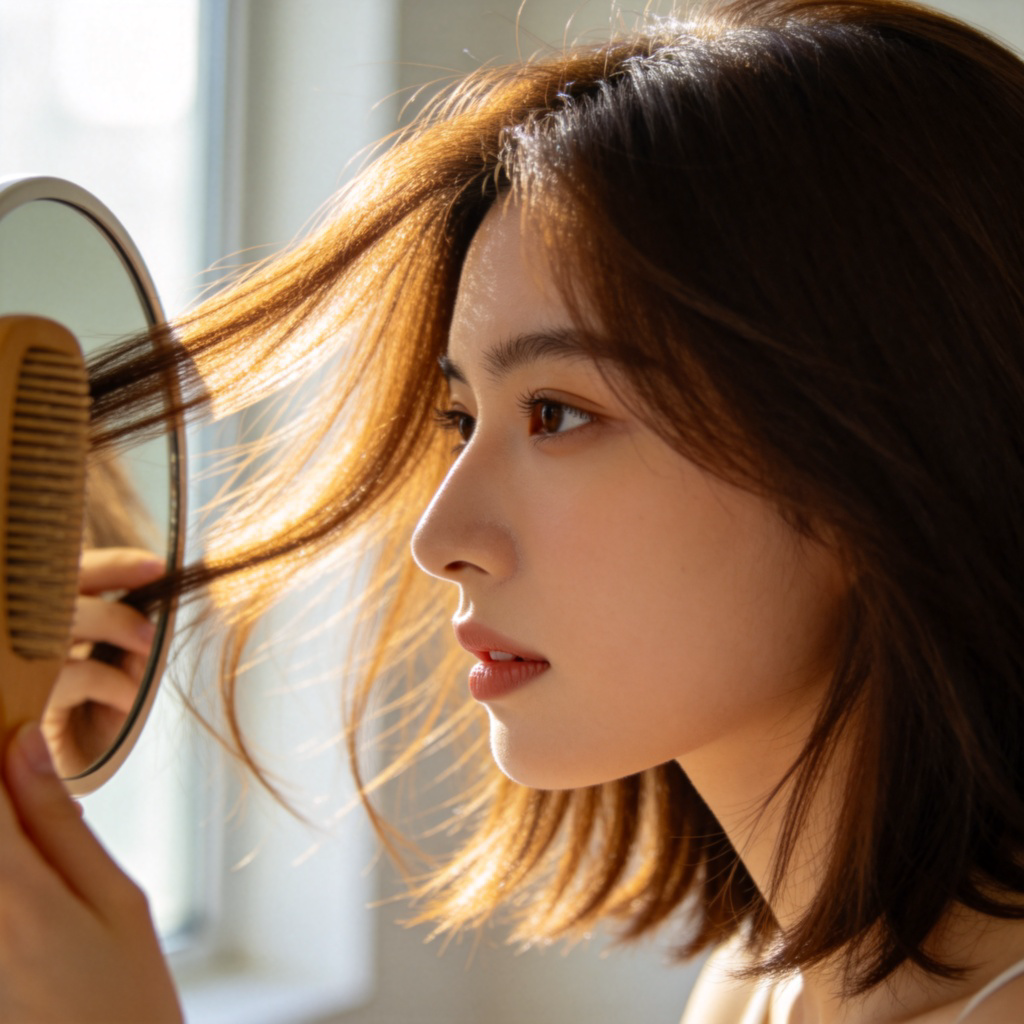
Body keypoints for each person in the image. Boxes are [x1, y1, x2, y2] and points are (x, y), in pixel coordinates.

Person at [3, 0, 1024, 1020]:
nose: (438, 540)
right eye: (459, 419)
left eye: (557, 413)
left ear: (883, 457)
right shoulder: (763, 987)